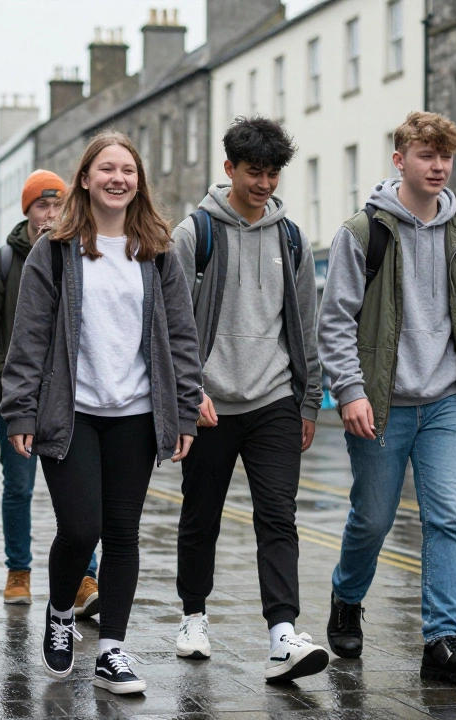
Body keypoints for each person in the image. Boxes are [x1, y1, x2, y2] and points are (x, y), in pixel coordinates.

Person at [2, 131, 203, 695]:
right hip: (73, 412)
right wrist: (20, 410)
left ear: (137, 183)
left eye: (128, 171)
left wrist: (185, 410)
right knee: (80, 527)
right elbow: (30, 336)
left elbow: (182, 338)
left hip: (135, 413)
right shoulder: (55, 250)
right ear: (85, 180)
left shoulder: (157, 251)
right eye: (107, 169)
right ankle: (62, 611)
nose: (119, 178)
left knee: (122, 533)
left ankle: (113, 649)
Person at [317, 111, 456, 685]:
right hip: (382, 403)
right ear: (400, 160)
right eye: (427, 154)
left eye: (446, 156)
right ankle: (347, 597)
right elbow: (336, 321)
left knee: (446, 519)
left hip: (445, 400)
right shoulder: (361, 233)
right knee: (372, 519)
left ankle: (441, 639)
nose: (438, 165)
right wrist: (348, 391)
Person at [170, 117, 328, 683]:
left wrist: (308, 403)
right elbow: (172, 321)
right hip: (211, 405)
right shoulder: (195, 234)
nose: (263, 183)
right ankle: (193, 616)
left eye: (271, 173)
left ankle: (283, 633)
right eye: (253, 172)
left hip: (275, 400)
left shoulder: (291, 238)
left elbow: (304, 325)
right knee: (200, 516)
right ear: (229, 168)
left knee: (278, 516)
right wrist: (188, 394)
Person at [0, 169, 100, 610]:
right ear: (27, 211)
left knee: (80, 491)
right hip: (15, 400)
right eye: (42, 205)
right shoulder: (1, 263)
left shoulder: (82, 256)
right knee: (19, 487)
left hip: (72, 398)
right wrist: (8, 387)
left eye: (59, 204)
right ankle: (18, 571)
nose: (52, 213)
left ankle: (85, 577)